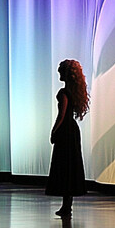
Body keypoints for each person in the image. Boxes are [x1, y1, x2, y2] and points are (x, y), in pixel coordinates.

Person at [45, 59, 89, 217]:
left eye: (60, 71)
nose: (59, 74)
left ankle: (66, 206)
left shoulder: (64, 93)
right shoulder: (73, 92)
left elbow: (61, 114)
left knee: (64, 165)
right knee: (70, 166)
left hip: (65, 131)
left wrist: (53, 131)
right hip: (73, 130)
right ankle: (67, 205)